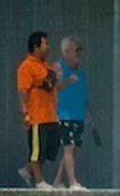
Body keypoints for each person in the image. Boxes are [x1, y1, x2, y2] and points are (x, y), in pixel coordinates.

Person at [16, 31, 59, 187]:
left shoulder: (46, 66)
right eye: (45, 43)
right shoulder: (26, 66)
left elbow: (50, 86)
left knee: (49, 148)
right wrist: (25, 112)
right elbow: (23, 91)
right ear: (36, 47)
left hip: (50, 114)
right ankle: (39, 181)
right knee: (37, 150)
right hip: (37, 115)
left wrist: (55, 74)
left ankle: (27, 170)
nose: (48, 47)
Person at [53, 35, 90, 187]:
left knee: (72, 149)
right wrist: (67, 82)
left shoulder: (81, 71)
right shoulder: (59, 68)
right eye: (77, 50)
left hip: (78, 115)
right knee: (69, 148)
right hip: (64, 115)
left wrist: (87, 112)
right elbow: (52, 88)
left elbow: (84, 93)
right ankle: (73, 182)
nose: (79, 53)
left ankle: (58, 181)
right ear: (67, 51)